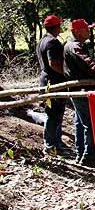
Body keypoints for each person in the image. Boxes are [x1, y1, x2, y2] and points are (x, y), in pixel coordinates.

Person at [64, 19, 95, 167]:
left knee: (80, 123)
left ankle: (81, 154)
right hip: (81, 90)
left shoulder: (72, 46)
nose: (89, 31)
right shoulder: (75, 47)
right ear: (78, 31)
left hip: (78, 90)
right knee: (90, 123)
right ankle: (89, 156)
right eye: (87, 29)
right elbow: (89, 66)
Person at [36, 15, 66, 155]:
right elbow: (53, 63)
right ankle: (51, 144)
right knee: (54, 113)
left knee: (54, 113)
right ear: (56, 27)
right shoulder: (52, 42)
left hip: (45, 79)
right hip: (53, 82)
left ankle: (56, 144)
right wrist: (66, 73)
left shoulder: (41, 41)